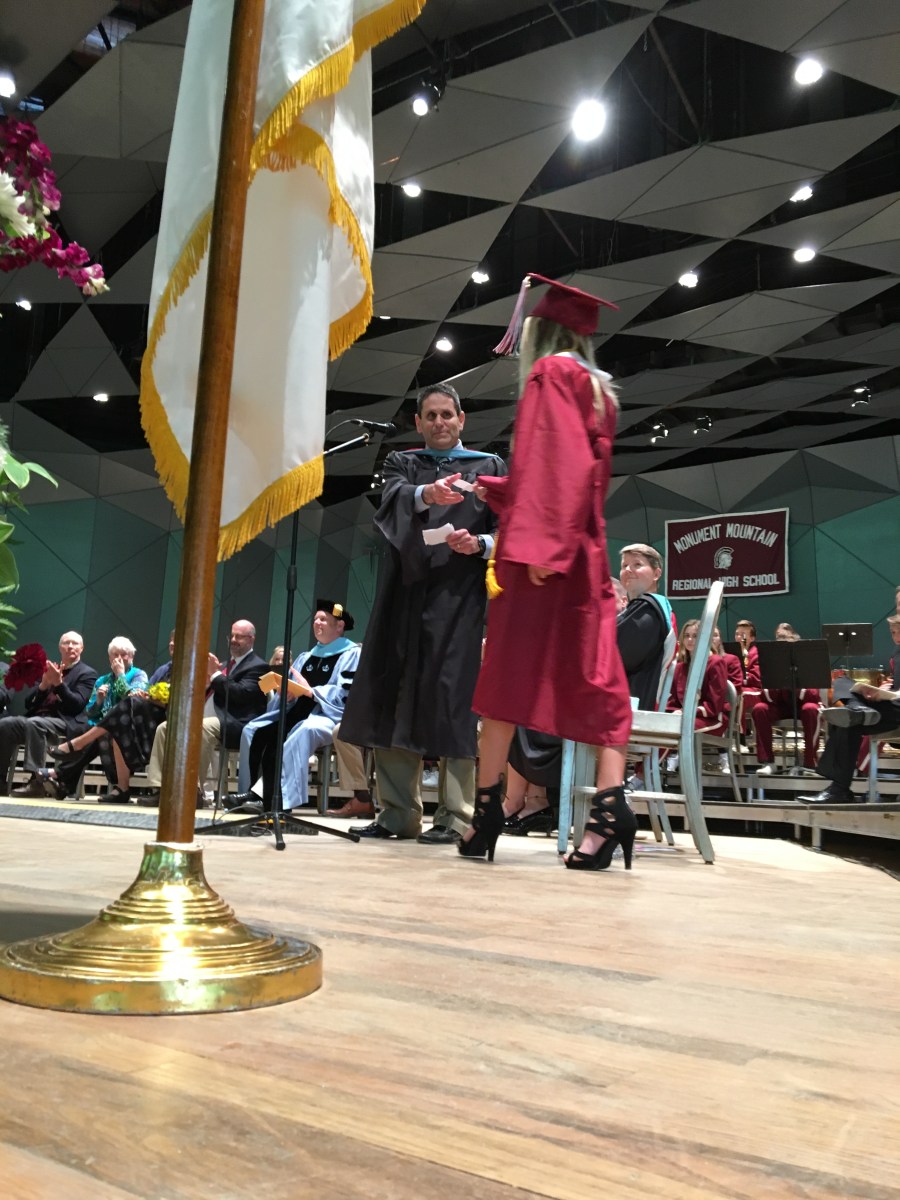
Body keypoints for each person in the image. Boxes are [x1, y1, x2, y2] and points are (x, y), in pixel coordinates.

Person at [460, 272, 633, 869]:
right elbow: (570, 474)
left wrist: (539, 548)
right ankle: (609, 813)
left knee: (505, 684)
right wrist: (491, 488)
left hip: (544, 557)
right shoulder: (599, 390)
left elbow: (556, 463)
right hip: (584, 554)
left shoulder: (550, 373)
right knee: (598, 679)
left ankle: (486, 815)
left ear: (541, 330)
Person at [339, 382, 506, 845]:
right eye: (430, 415)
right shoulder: (403, 463)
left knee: (453, 699)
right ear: (418, 422)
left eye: (446, 414)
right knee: (395, 695)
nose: (439, 422)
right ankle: (398, 814)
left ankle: (457, 816)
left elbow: (510, 527)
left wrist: (480, 544)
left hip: (459, 597)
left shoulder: (488, 467)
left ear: (461, 419)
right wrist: (427, 494)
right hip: (404, 594)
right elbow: (393, 499)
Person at [225, 602, 360, 813]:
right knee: (255, 730)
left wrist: (311, 691)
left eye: (323, 619)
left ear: (340, 626)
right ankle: (251, 792)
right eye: (315, 619)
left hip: (326, 715)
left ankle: (280, 801)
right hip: (296, 711)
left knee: (301, 732)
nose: (317, 623)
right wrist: (286, 693)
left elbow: (345, 694)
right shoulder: (306, 657)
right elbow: (292, 688)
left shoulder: (351, 654)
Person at [138, 619, 267, 806]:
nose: (233, 640)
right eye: (231, 636)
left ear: (251, 639)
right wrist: (206, 682)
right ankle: (160, 788)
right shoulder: (225, 665)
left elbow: (241, 694)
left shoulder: (258, 666)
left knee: (201, 727)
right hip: (209, 718)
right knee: (165, 728)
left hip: (237, 723)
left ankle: (193, 791)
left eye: (239, 637)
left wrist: (215, 675)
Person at [26, 637, 149, 800]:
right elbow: (90, 713)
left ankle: (62, 773)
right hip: (103, 731)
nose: (119, 658)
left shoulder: (139, 675)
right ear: (109, 658)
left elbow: (131, 700)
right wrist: (98, 701)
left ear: (131, 656)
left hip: (131, 729)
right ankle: (63, 783)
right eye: (115, 654)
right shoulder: (102, 680)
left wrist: (120, 675)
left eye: (124, 654)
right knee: (94, 730)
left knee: (96, 733)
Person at [801, 616, 900, 803]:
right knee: (841, 681)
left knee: (847, 721)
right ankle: (857, 709)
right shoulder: (897, 651)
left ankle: (839, 790)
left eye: (896, 632)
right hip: (888, 704)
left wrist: (895, 693)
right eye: (892, 632)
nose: (894, 636)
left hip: (897, 707)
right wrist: (886, 687)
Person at [1, 632, 97, 797]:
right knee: (5, 724)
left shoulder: (87, 673)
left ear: (82, 648)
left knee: (35, 723)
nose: (70, 646)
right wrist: (43, 685)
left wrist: (59, 684)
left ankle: (37, 782)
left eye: (75, 643)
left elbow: (76, 705)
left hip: (65, 721)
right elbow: (29, 703)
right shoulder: (50, 669)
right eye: (66, 643)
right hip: (38, 719)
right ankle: (0, 781)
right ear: (60, 648)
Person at [752, 626, 821, 777]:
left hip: (802, 705)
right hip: (781, 705)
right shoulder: (771, 662)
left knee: (811, 709)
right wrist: (779, 683)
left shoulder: (807, 661)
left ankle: (810, 763)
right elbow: (763, 695)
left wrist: (794, 685)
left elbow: (814, 695)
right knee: (759, 709)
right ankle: (768, 762)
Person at [617, 544, 676, 710]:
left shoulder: (649, 608)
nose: (628, 569)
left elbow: (617, 656)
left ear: (656, 574)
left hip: (631, 705)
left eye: (637, 564)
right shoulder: (650, 608)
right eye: (624, 565)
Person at [665, 618, 729, 772]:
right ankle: (653, 770)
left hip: (713, 718)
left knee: (677, 725)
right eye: (687, 636)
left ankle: (666, 765)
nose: (690, 640)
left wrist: (684, 712)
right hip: (686, 717)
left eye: (695, 636)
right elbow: (674, 700)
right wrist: (670, 713)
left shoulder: (715, 662)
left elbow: (715, 704)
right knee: (661, 723)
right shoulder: (680, 667)